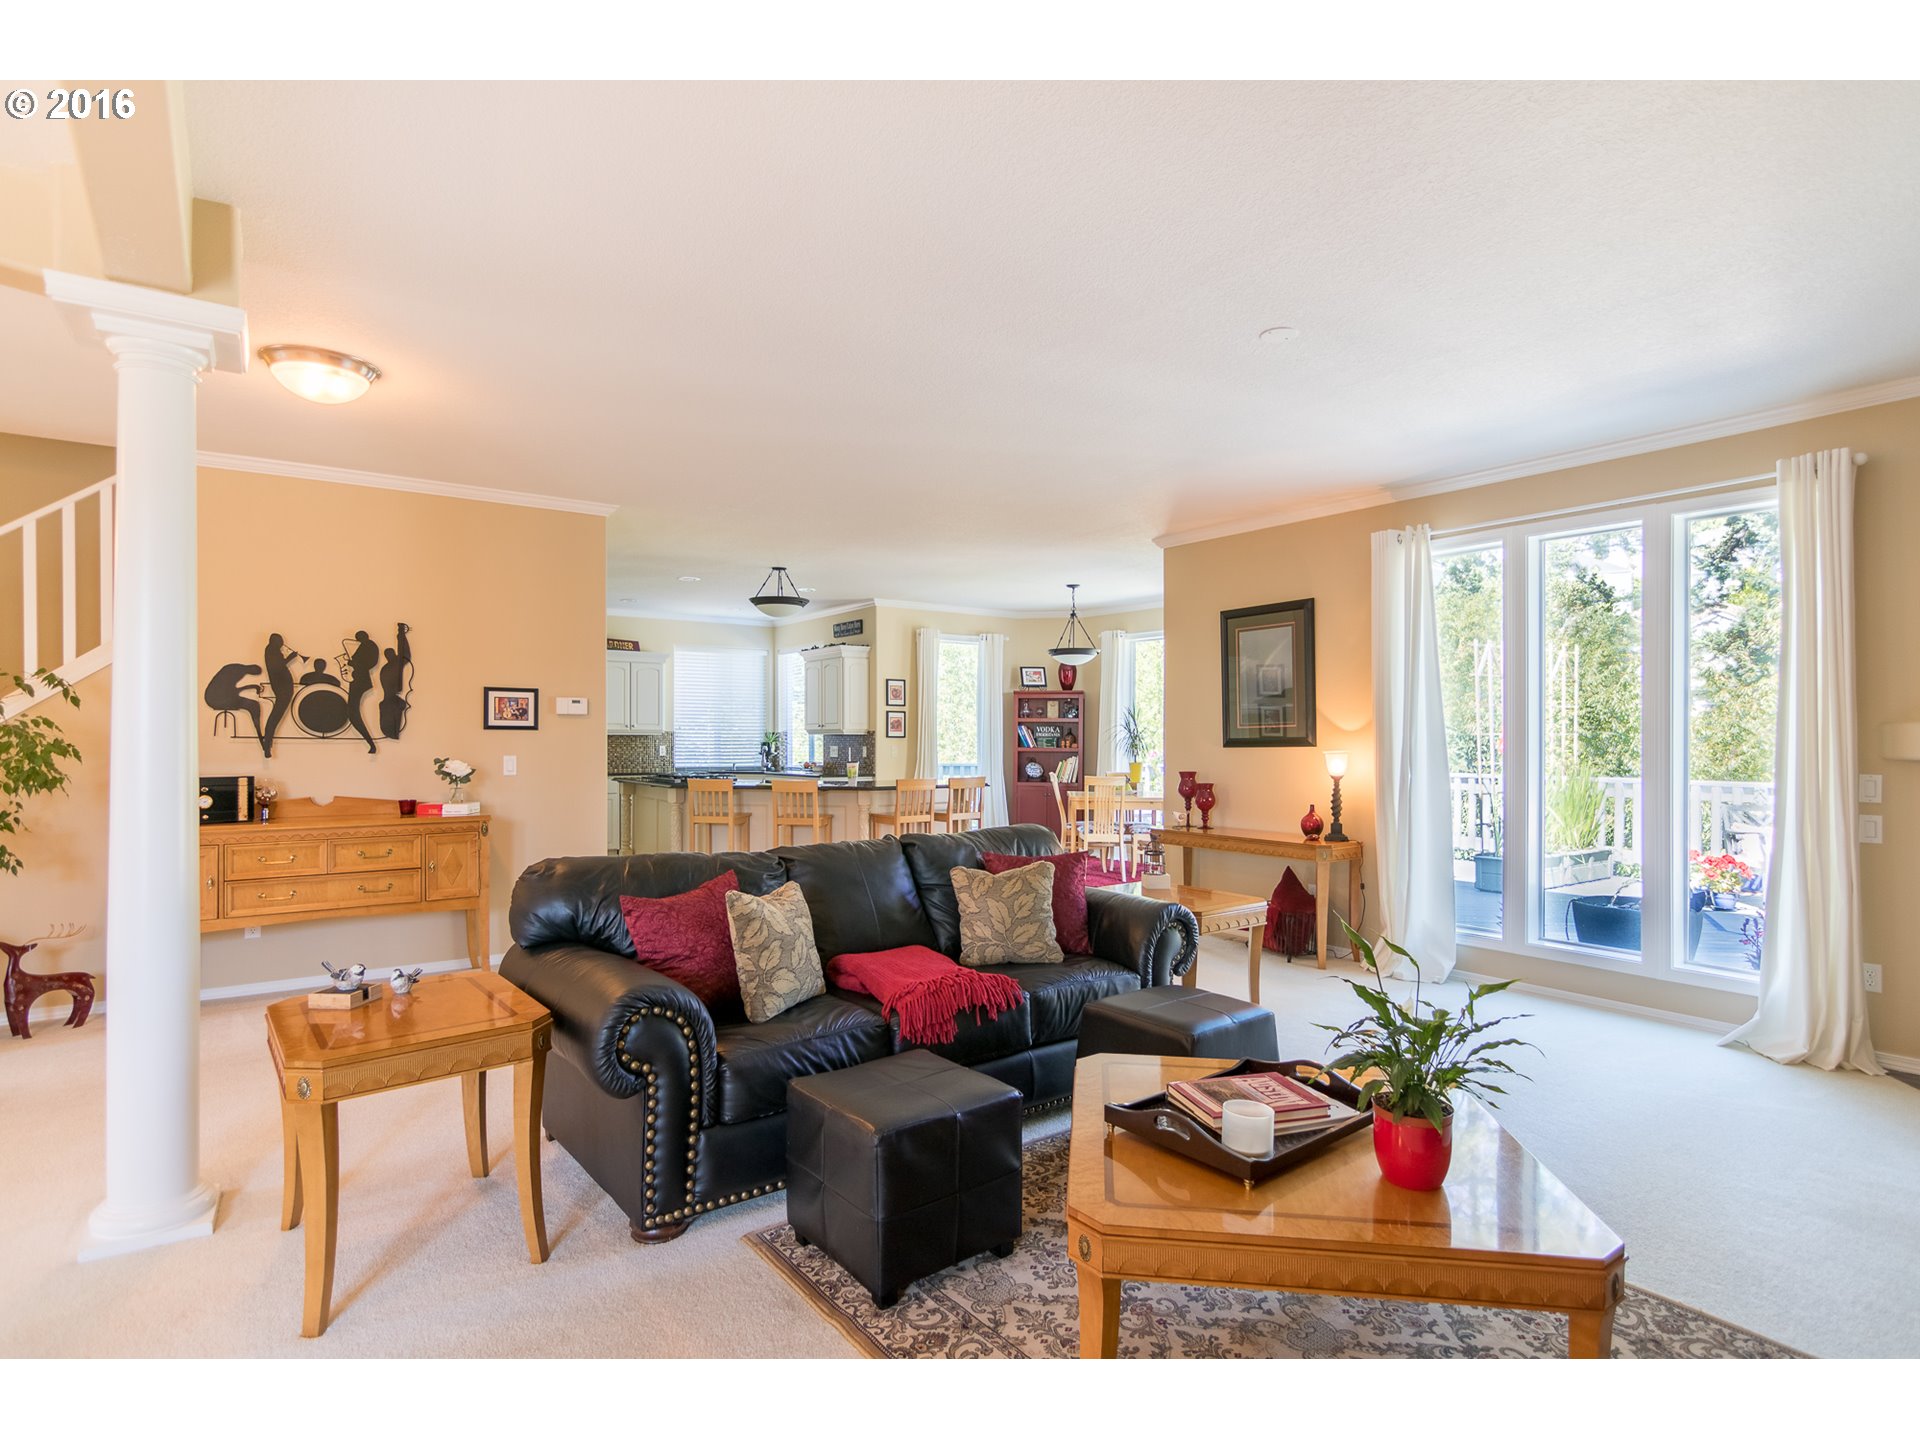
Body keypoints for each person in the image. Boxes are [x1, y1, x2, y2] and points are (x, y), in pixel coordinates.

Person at [203, 662, 265, 741]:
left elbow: (229, 690)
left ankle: (260, 735)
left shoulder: (239, 669)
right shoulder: (236, 670)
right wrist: (249, 687)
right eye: (254, 673)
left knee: (253, 704)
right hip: (217, 700)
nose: (252, 674)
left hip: (221, 697)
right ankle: (260, 735)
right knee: (253, 705)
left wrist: (250, 687)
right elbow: (227, 691)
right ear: (252, 668)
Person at [260, 634, 299, 758]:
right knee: (276, 716)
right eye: (280, 641)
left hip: (283, 687)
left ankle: (268, 742)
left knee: (276, 715)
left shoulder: (272, 650)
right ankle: (267, 743)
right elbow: (278, 666)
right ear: (275, 641)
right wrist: (290, 657)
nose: (282, 643)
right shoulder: (271, 650)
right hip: (282, 687)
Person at [343, 629, 380, 754]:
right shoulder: (366, 645)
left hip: (361, 680)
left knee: (352, 711)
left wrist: (355, 663)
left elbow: (369, 663)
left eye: (358, 638)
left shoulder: (369, 646)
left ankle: (371, 744)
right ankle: (371, 743)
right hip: (358, 679)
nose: (357, 641)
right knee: (352, 711)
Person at [378, 621, 413, 739]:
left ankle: (392, 731)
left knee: (397, 706)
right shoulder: (392, 666)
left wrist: (401, 635)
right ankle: (392, 731)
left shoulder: (386, 668)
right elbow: (405, 655)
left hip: (389, 696)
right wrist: (401, 634)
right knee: (396, 707)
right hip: (390, 697)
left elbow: (404, 655)